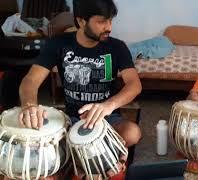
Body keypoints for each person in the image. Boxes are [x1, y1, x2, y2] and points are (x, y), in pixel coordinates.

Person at [18, 0, 141, 177]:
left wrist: (108, 106)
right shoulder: (58, 44)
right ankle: (96, 156)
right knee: (37, 148)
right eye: (101, 21)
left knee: (132, 132)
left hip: (108, 120)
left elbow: (134, 84)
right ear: (81, 21)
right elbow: (30, 80)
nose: (109, 27)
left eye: (110, 20)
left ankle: (81, 157)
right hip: (71, 119)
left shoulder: (116, 47)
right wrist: (29, 105)